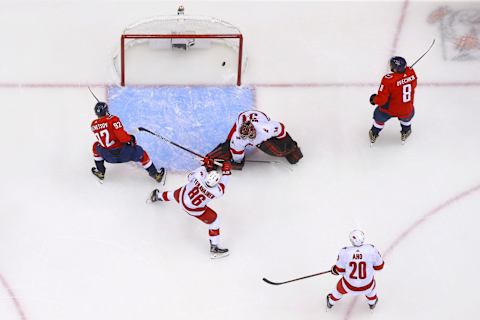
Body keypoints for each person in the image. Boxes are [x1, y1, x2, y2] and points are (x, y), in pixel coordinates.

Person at [149, 158, 232, 259]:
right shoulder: (217, 191)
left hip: (182, 197)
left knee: (172, 194)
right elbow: (222, 185)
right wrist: (226, 172)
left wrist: (205, 166)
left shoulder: (199, 176)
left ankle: (157, 196)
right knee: (214, 221)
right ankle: (214, 247)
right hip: (194, 210)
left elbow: (189, 177)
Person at [90, 101, 164, 182]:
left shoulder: (93, 124)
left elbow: (106, 131)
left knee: (95, 146)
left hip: (108, 156)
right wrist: (130, 139)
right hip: (123, 153)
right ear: (106, 110)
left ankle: (100, 172)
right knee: (142, 154)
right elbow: (122, 137)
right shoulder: (113, 119)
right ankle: (155, 175)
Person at [207, 110, 303, 169]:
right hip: (242, 118)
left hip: (259, 117)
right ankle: (211, 158)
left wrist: (289, 146)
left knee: (278, 151)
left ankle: (289, 150)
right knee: (229, 147)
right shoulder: (237, 138)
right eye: (246, 138)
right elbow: (236, 152)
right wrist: (237, 162)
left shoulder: (266, 129)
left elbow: (281, 128)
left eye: (251, 136)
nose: (249, 140)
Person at [326, 230, 384, 310]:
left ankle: (331, 302)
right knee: (371, 289)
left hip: (349, 286)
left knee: (339, 289)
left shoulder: (345, 251)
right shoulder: (371, 249)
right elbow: (379, 267)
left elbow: (340, 270)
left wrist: (334, 269)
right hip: (367, 285)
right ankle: (372, 302)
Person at [369, 56, 417, 144]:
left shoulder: (388, 80)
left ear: (395, 68)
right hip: (407, 109)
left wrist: (373, 99)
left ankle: (374, 133)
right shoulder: (412, 73)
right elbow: (413, 84)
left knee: (379, 116)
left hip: (390, 110)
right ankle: (406, 131)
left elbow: (381, 100)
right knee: (406, 117)